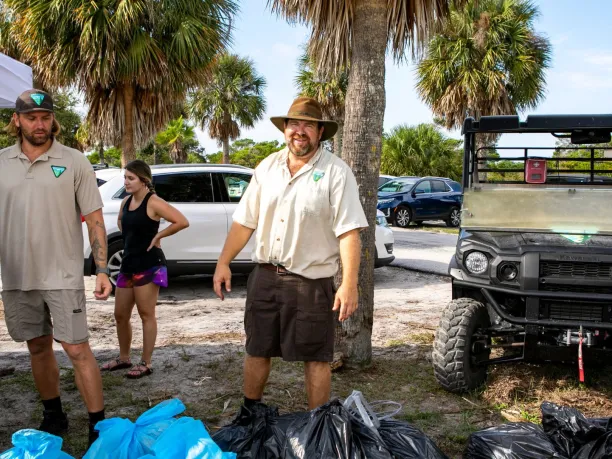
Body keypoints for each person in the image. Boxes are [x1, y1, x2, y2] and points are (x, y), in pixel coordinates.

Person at [213, 96, 368, 410]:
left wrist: (349, 284)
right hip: (265, 278)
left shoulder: (336, 173)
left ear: (320, 131)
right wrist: (223, 262)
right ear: (284, 129)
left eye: (308, 125)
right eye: (294, 123)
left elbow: (349, 232)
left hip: (310, 283)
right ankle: (251, 417)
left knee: (316, 357)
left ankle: (317, 424)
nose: (300, 131)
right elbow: (245, 221)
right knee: (257, 349)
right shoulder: (267, 167)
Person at [0, 89, 112, 445]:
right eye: (31, 117)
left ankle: (98, 425)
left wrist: (102, 269)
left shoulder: (75, 160)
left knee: (77, 348)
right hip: (17, 275)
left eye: (45, 117)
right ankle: (53, 415)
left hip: (63, 274)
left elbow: (94, 219)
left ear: (53, 120)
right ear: (16, 120)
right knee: (37, 346)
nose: (39, 124)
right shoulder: (1, 162)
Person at [101, 160, 189, 378]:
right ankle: (124, 358)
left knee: (146, 314)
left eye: (131, 178)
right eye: (125, 177)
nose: (126, 182)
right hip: (128, 264)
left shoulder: (154, 202)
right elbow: (122, 223)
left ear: (144, 180)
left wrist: (158, 235)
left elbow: (181, 221)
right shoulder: (126, 202)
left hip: (149, 265)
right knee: (120, 314)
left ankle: (146, 363)